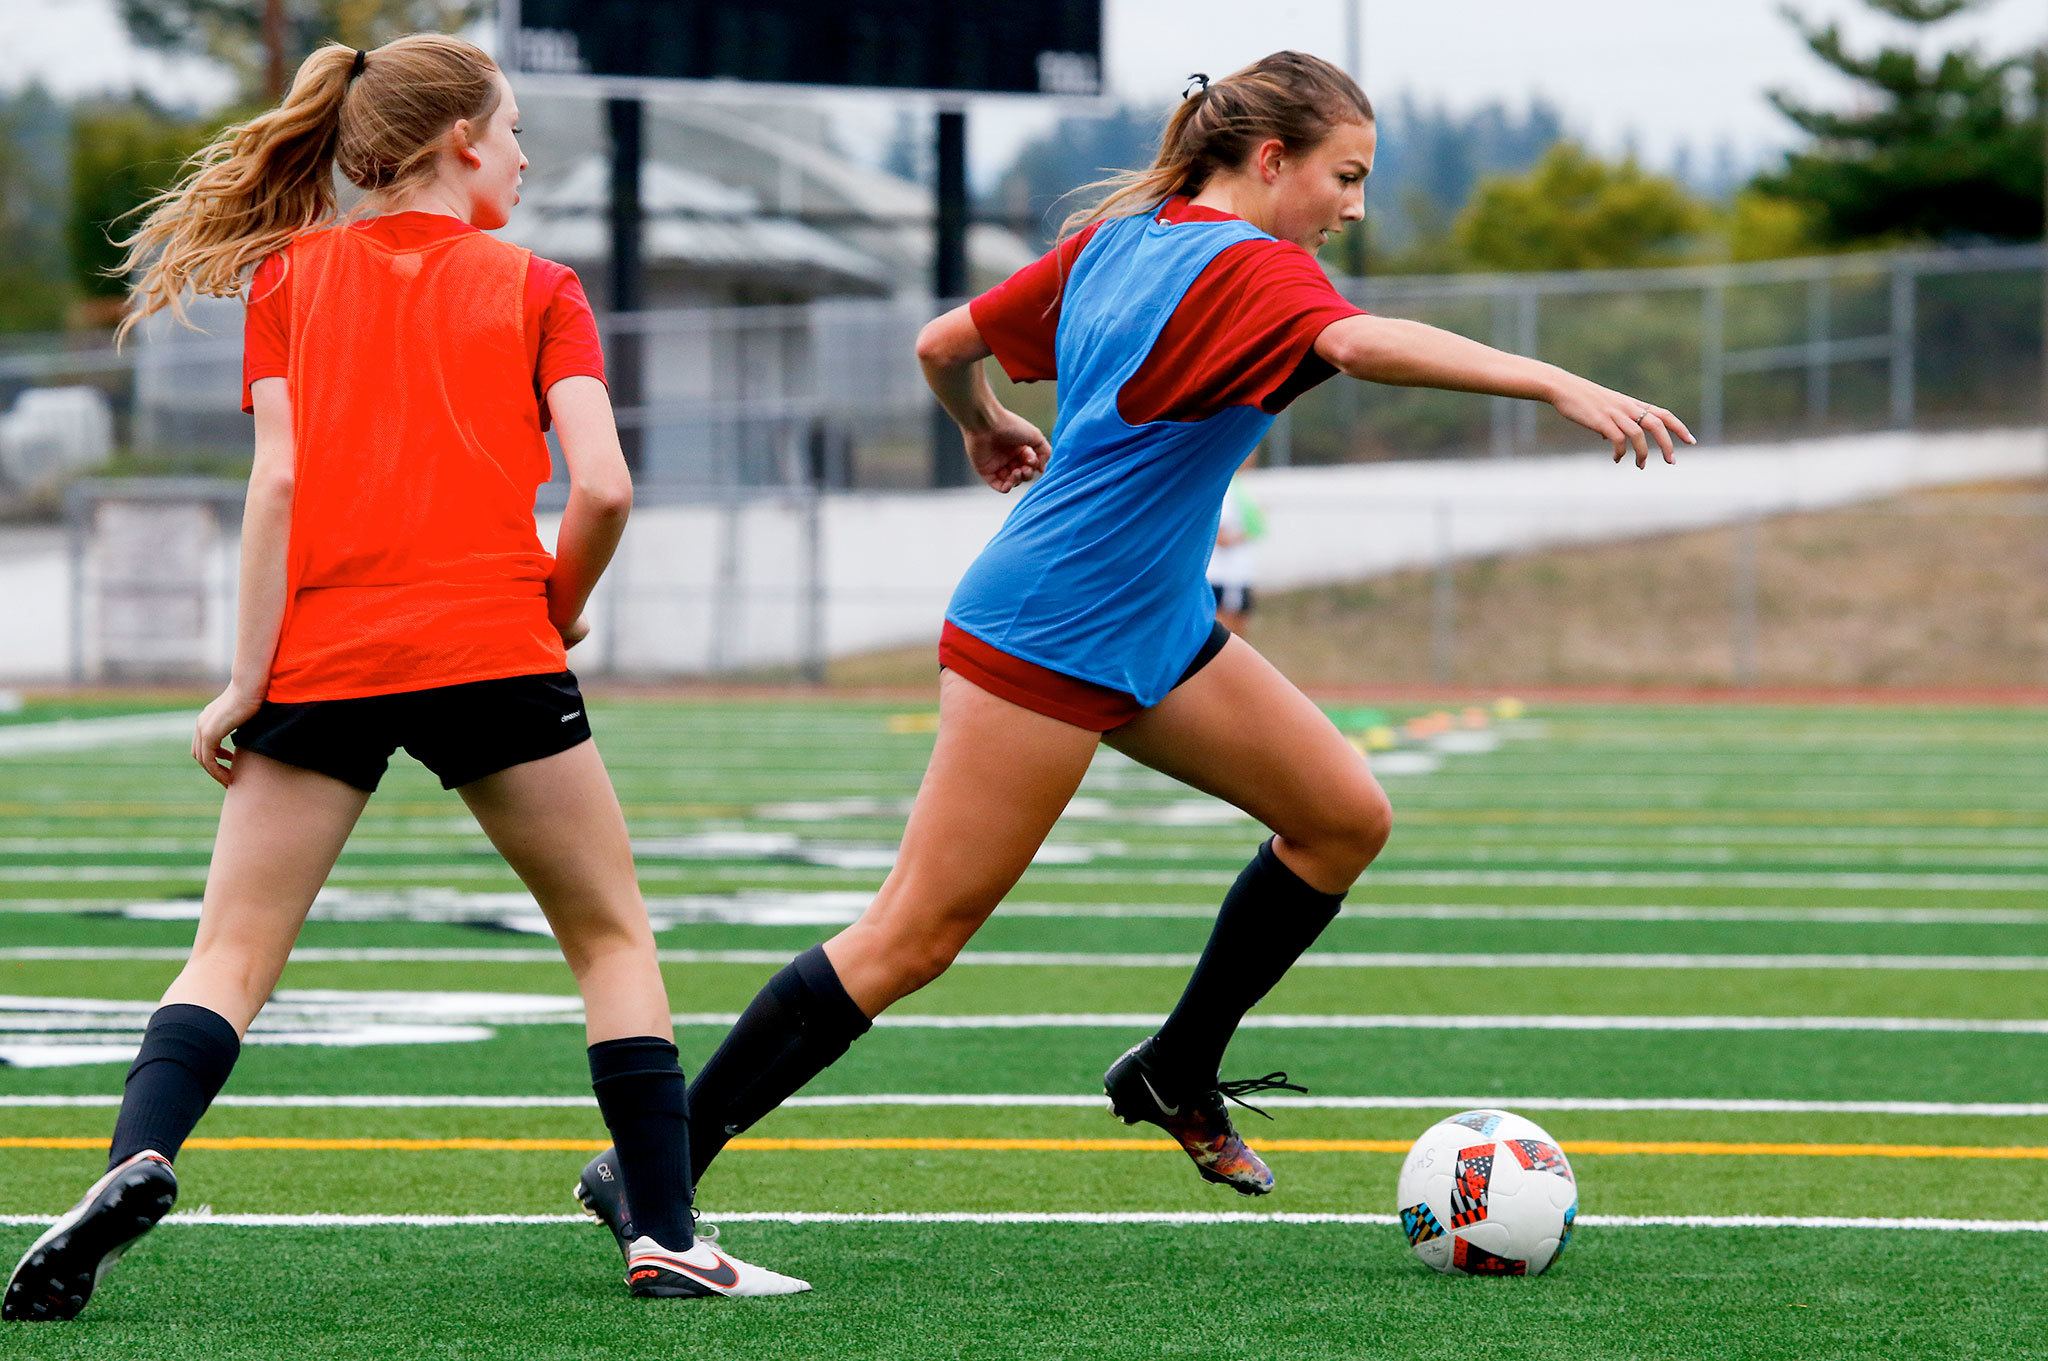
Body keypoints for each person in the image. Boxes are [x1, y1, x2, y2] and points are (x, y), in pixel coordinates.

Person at [571, 50, 1689, 1229]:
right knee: (912, 934)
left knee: (1341, 817)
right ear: (1270, 160)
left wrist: (986, 423)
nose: (1353, 206)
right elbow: (1360, 346)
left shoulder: (1125, 238)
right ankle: (658, 1163)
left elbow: (941, 343)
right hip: (1051, 625)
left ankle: (1172, 1067)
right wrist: (1556, 381)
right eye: (1344, 176)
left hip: (1146, 617)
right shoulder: (1256, 268)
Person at [3, 36, 804, 1323]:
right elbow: (602, 485)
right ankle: (664, 1232)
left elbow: (276, 487)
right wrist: (555, 608)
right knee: (608, 936)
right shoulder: (542, 284)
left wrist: (240, 681)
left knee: (232, 951)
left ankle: (132, 1164)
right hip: (493, 645)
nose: (528, 156)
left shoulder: (286, 279)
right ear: (457, 145)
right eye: (516, 130)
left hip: (321, 654)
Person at [1209, 453, 1264, 635]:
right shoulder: (1227, 489)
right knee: (1225, 634)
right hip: (1225, 575)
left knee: (1240, 630)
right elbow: (1220, 538)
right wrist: (1249, 532)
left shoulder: (1241, 487)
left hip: (1238, 575)